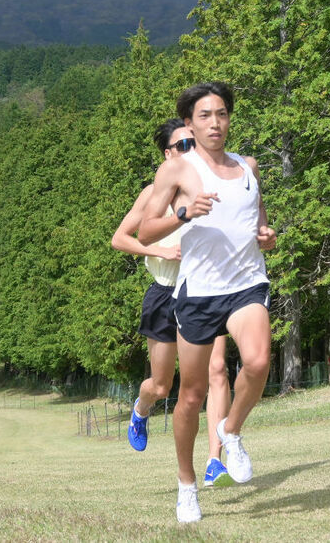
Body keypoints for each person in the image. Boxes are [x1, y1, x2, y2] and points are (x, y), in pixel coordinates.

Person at [139, 82, 277, 523]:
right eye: (204, 116)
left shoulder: (248, 166)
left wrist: (268, 239)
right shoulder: (177, 172)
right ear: (189, 123)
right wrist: (184, 213)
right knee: (190, 396)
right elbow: (144, 233)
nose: (215, 123)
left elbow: (261, 227)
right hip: (198, 294)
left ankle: (230, 431)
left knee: (256, 363)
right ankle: (186, 485)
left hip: (246, 284)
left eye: (221, 114)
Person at [110, 118, 234, 489]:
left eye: (192, 143)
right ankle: (141, 409)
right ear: (167, 154)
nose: (190, 151)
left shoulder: (213, 186)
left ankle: (215, 462)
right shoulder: (153, 193)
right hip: (164, 293)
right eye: (182, 146)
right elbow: (120, 238)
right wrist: (160, 249)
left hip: (204, 290)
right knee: (162, 386)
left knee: (217, 373)